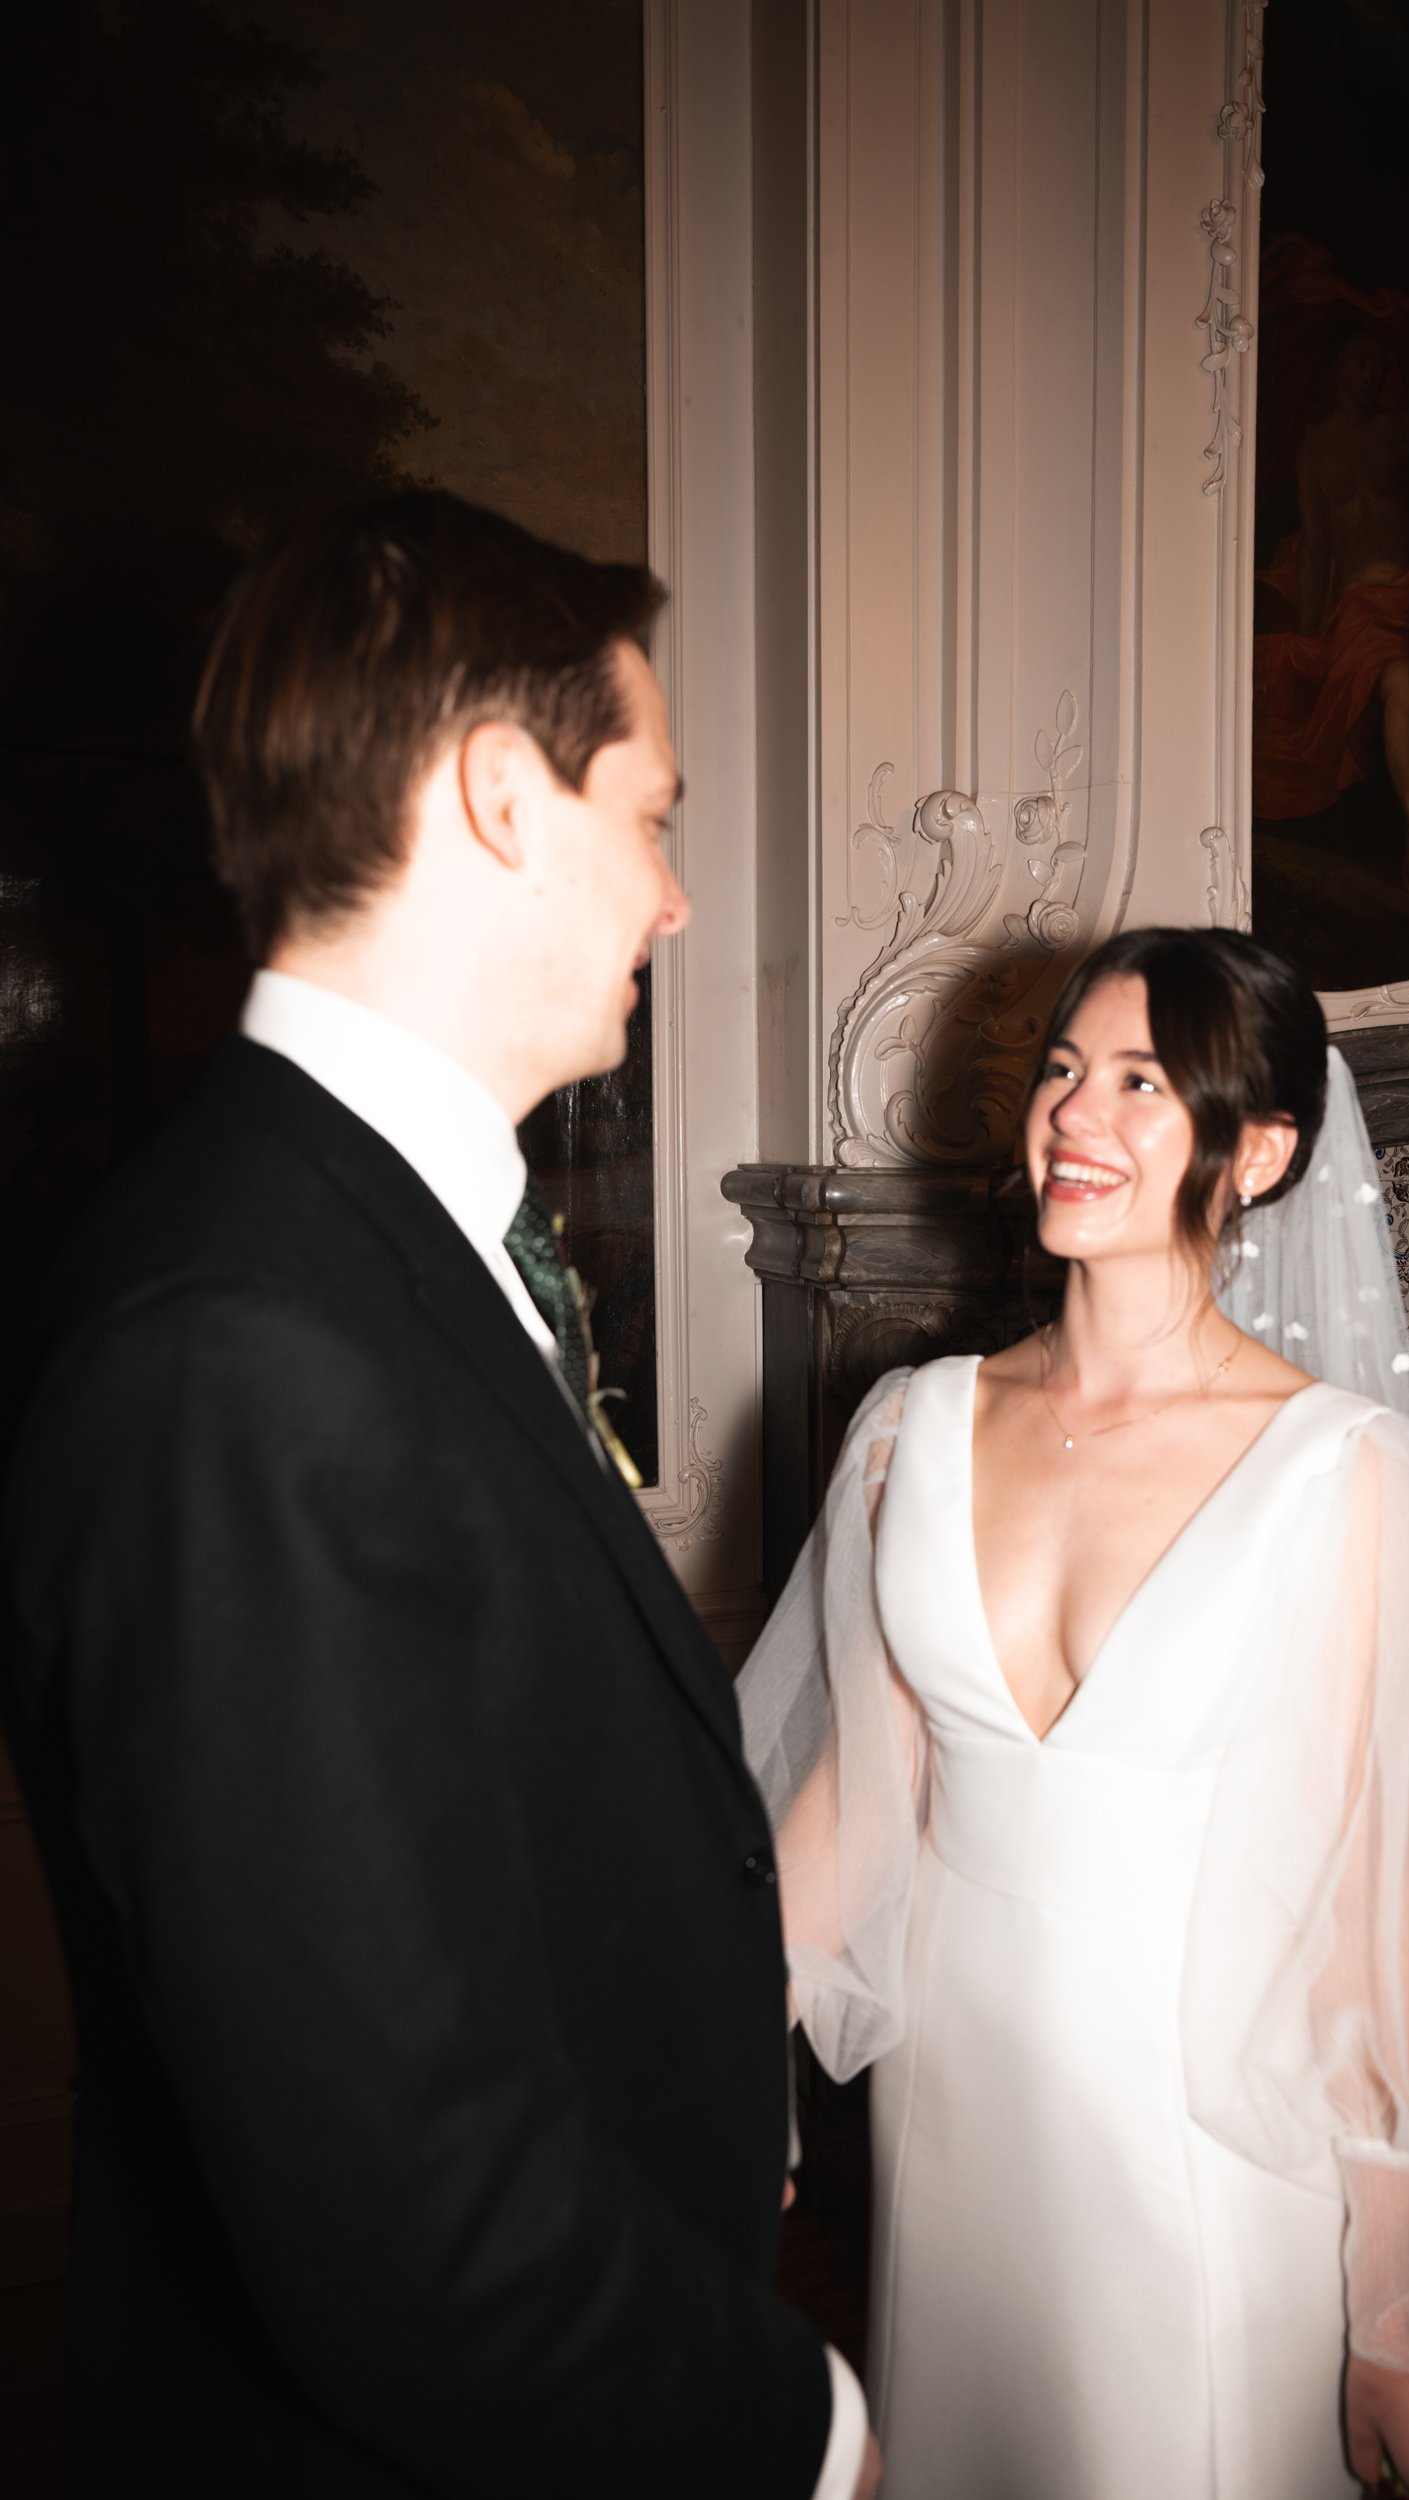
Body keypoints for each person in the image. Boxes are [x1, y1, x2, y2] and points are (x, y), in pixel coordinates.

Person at [0, 492, 878, 2498]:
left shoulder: (375, 1226)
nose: (671, 897)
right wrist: (809, 2427)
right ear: (498, 793)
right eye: (648, 813)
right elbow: (403, 2215)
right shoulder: (239, 1335)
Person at [740, 925, 1409, 2500]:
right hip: (958, 2140)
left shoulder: (1349, 1483)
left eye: (1142, 1083)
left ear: (1260, 1149)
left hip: (1213, 2154)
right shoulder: (908, 1434)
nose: (1076, 1115)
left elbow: (1372, 1923)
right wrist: (708, 2068)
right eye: (1064, 1071)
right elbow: (854, 1819)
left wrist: (1395, 2317)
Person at [1253, 332, 1409, 910]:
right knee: (1405, 684)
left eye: (1380, 362)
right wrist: (1315, 630)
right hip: (1361, 609)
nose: (1369, 374)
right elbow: (1317, 548)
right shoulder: (1316, 448)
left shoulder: (1397, 428)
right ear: (1338, 364)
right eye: (1359, 359)